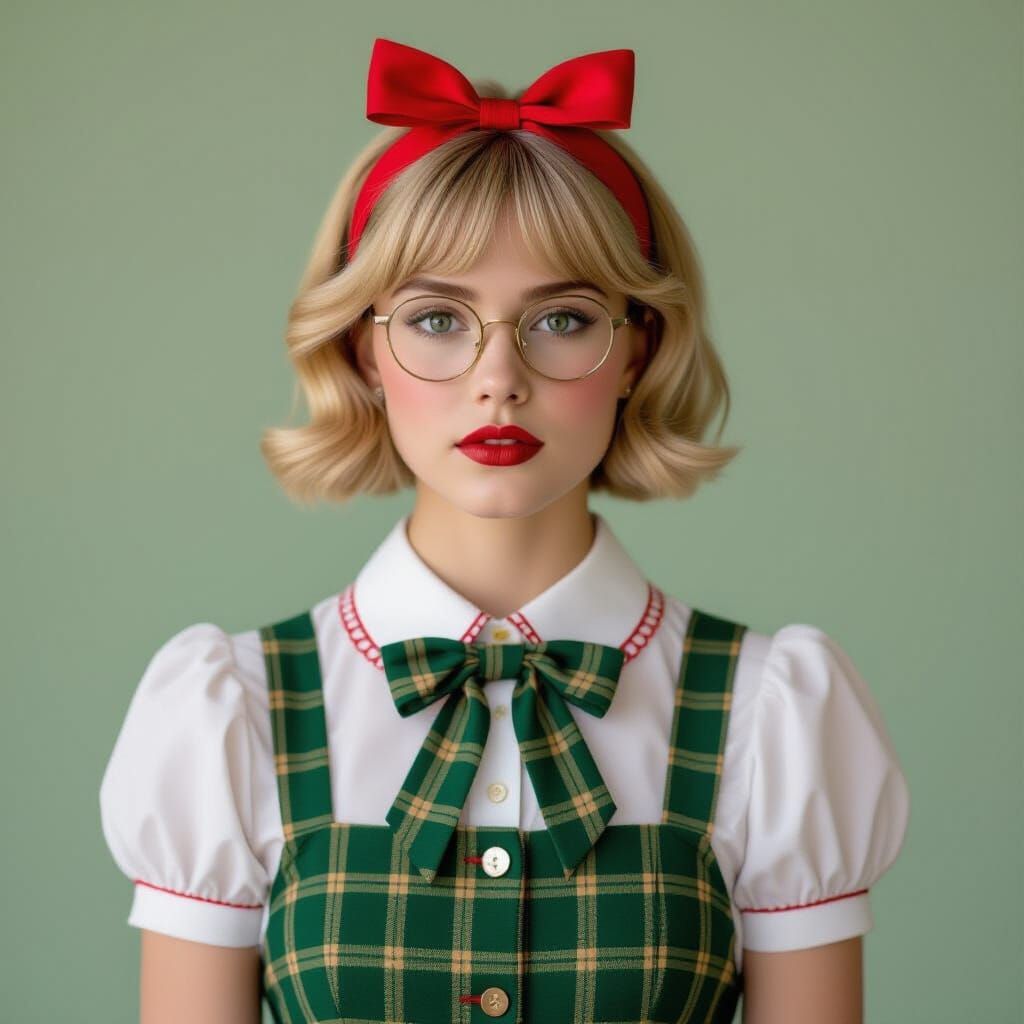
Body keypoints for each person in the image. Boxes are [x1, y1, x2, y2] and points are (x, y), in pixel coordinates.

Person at [98, 37, 910, 1024]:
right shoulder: (234, 712)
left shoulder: (769, 713)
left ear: (636, 350)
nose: (499, 378)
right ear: (364, 351)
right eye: (437, 319)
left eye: (561, 319)